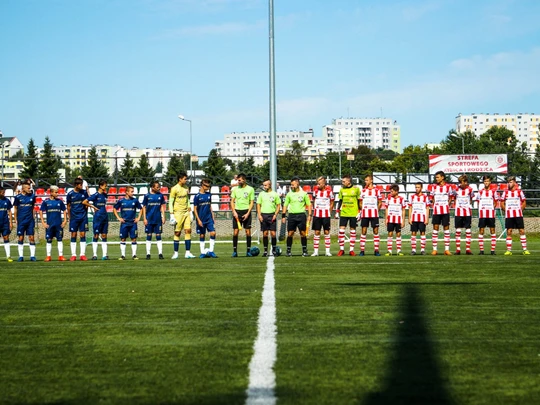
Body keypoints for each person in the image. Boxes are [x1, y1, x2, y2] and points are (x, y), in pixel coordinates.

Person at [281, 177, 312, 257]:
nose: (291, 186)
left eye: (293, 184)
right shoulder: (289, 194)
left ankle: (304, 251)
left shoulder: (304, 194)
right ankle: (288, 251)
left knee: (303, 233)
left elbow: (309, 205)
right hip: (292, 216)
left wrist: (309, 215)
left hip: (301, 215)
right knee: (290, 233)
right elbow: (285, 205)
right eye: (291, 185)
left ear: (297, 184)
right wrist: (283, 216)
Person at [501, 176, 530, 255]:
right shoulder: (505, 192)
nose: (509, 184)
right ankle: (509, 250)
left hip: (518, 214)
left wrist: (521, 210)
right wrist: (505, 210)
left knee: (521, 231)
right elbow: (502, 202)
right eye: (508, 182)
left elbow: (524, 202)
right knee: (509, 231)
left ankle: (525, 250)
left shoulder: (519, 191)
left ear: (514, 183)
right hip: (509, 215)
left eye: (510, 182)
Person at [169, 172, 195, 259]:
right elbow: (170, 202)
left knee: (188, 231)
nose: (186, 180)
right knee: (177, 232)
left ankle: (188, 252)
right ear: (180, 179)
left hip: (186, 212)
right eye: (185, 179)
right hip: (178, 213)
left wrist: (190, 210)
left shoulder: (186, 188)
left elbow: (187, 199)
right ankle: (175, 253)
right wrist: (172, 214)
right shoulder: (174, 189)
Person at [113, 186, 143, 260]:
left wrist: (138, 218)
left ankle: (134, 255)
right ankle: (123, 255)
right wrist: (119, 218)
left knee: (134, 239)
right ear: (127, 192)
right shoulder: (121, 201)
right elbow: (114, 208)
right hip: (124, 223)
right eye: (131, 191)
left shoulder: (135, 200)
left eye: (133, 191)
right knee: (123, 239)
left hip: (133, 223)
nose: (133, 193)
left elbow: (141, 208)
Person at [39, 185, 67, 262]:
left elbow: (64, 210)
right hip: (49, 225)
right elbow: (40, 211)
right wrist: (43, 222)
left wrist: (65, 221)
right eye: (56, 192)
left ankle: (61, 256)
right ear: (51, 192)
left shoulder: (60, 201)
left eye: (57, 192)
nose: (57, 194)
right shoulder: (46, 202)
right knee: (49, 240)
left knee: (60, 240)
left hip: (58, 224)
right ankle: (48, 256)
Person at [230, 173, 255, 257]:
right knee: (235, 232)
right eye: (237, 180)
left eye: (239, 180)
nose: (238, 181)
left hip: (246, 212)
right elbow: (232, 201)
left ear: (244, 180)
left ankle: (248, 251)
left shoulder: (250, 189)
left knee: (248, 232)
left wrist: (248, 213)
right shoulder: (235, 189)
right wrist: (234, 212)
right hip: (237, 212)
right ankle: (234, 251)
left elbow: (251, 202)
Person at [83, 180, 109, 260]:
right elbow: (84, 202)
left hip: (104, 217)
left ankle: (104, 255)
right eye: (105, 186)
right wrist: (93, 207)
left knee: (104, 235)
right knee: (96, 235)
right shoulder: (95, 195)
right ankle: (95, 255)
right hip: (97, 218)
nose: (106, 187)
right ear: (101, 186)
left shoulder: (105, 195)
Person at [335, 174, 359, 256]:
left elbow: (359, 201)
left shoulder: (356, 189)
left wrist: (360, 212)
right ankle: (341, 250)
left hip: (353, 213)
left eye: (344, 181)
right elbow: (340, 201)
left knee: (353, 231)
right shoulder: (342, 190)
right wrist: (337, 211)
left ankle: (351, 250)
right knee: (341, 231)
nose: (342, 182)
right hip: (344, 213)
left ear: (348, 181)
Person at [141, 180, 166, 260]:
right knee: (149, 235)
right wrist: (144, 218)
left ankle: (160, 253)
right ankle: (148, 254)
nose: (159, 188)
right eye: (157, 187)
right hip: (149, 219)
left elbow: (162, 206)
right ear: (152, 187)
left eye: (159, 187)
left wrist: (163, 216)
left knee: (158, 235)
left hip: (158, 219)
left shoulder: (160, 195)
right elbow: (144, 207)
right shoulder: (147, 196)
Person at [429, 171, 453, 256]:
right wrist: (435, 204)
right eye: (436, 177)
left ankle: (447, 250)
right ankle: (434, 249)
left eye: (438, 177)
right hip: (436, 211)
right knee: (435, 229)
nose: (436, 179)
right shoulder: (434, 187)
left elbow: (451, 197)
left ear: (442, 177)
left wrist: (447, 204)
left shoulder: (448, 187)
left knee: (446, 229)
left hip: (445, 211)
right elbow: (431, 197)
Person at [256, 179, 281, 257]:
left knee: (273, 234)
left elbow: (278, 205)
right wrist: (259, 215)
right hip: (264, 215)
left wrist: (275, 214)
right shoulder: (261, 194)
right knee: (265, 234)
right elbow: (258, 205)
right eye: (263, 185)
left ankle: (273, 250)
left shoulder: (275, 194)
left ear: (270, 185)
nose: (264, 186)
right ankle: (265, 251)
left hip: (272, 215)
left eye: (265, 185)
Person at [359, 174, 383, 256]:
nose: (366, 182)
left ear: (371, 180)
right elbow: (360, 202)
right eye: (365, 180)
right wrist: (362, 210)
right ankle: (362, 250)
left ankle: (376, 250)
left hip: (374, 214)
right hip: (365, 214)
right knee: (363, 231)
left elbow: (380, 202)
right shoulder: (363, 191)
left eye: (367, 180)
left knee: (375, 231)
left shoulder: (377, 190)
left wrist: (376, 210)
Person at [13, 181, 37, 261]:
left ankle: (32, 256)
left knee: (31, 238)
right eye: (28, 188)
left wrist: (33, 217)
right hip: (21, 220)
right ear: (23, 189)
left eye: (30, 188)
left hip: (30, 220)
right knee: (20, 238)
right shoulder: (18, 197)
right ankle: (21, 256)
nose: (30, 189)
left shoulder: (32, 196)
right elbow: (15, 208)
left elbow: (33, 207)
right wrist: (15, 219)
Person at [66, 178, 90, 261]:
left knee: (83, 235)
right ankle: (73, 255)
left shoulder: (84, 192)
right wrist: (69, 216)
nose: (82, 186)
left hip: (83, 217)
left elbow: (87, 203)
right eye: (80, 184)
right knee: (73, 235)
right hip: (74, 218)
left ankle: (82, 254)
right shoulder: (70, 194)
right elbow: (68, 206)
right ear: (76, 185)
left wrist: (85, 213)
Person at [193, 178, 218, 258]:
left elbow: (210, 206)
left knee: (213, 233)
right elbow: (195, 209)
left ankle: (211, 251)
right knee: (202, 235)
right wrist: (198, 220)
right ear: (202, 185)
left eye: (209, 186)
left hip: (209, 218)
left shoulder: (209, 195)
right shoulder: (197, 196)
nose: (208, 187)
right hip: (201, 219)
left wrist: (213, 215)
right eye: (207, 186)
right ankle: (202, 252)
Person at [475, 176, 499, 255]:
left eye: (488, 181)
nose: (486, 183)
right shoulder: (480, 192)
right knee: (481, 231)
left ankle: (493, 250)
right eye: (485, 181)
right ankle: (481, 250)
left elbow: (495, 202)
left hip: (491, 214)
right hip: (482, 214)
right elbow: (478, 202)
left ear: (490, 182)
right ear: (483, 182)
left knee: (492, 231)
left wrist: (491, 208)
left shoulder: (493, 192)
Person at [311, 176, 334, 257]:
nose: (318, 185)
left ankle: (327, 251)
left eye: (319, 183)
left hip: (326, 215)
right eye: (317, 183)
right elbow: (313, 200)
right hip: (317, 215)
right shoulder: (315, 191)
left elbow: (332, 203)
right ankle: (315, 252)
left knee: (326, 232)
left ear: (324, 183)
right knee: (317, 232)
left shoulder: (329, 191)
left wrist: (329, 212)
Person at [453, 174, 474, 255]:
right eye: (459, 182)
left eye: (461, 182)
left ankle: (468, 249)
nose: (460, 184)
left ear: (465, 182)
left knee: (468, 230)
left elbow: (471, 199)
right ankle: (458, 249)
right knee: (458, 230)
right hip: (458, 212)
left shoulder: (470, 190)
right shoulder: (456, 189)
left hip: (467, 212)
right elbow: (454, 198)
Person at [408, 182, 430, 255]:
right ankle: (413, 250)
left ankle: (422, 250)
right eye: (416, 187)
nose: (417, 189)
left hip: (422, 218)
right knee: (413, 233)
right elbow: (410, 207)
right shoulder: (412, 197)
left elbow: (427, 208)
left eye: (418, 187)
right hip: (414, 218)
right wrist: (409, 218)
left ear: (421, 188)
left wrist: (427, 218)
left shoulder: (425, 197)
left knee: (422, 233)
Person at [384, 184, 407, 256]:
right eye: (390, 191)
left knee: (398, 234)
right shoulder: (388, 199)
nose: (391, 193)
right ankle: (389, 251)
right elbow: (386, 209)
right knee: (390, 234)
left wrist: (403, 220)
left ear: (396, 191)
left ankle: (399, 251)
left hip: (398, 219)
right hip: (390, 219)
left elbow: (403, 210)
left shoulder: (401, 199)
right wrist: (386, 219)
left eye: (392, 191)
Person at [0, 185, 14, 262]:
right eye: (2, 192)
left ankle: (8, 256)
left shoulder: (7, 201)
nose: (4, 194)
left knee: (6, 238)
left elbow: (9, 212)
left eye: (4, 192)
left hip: (5, 223)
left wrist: (11, 223)